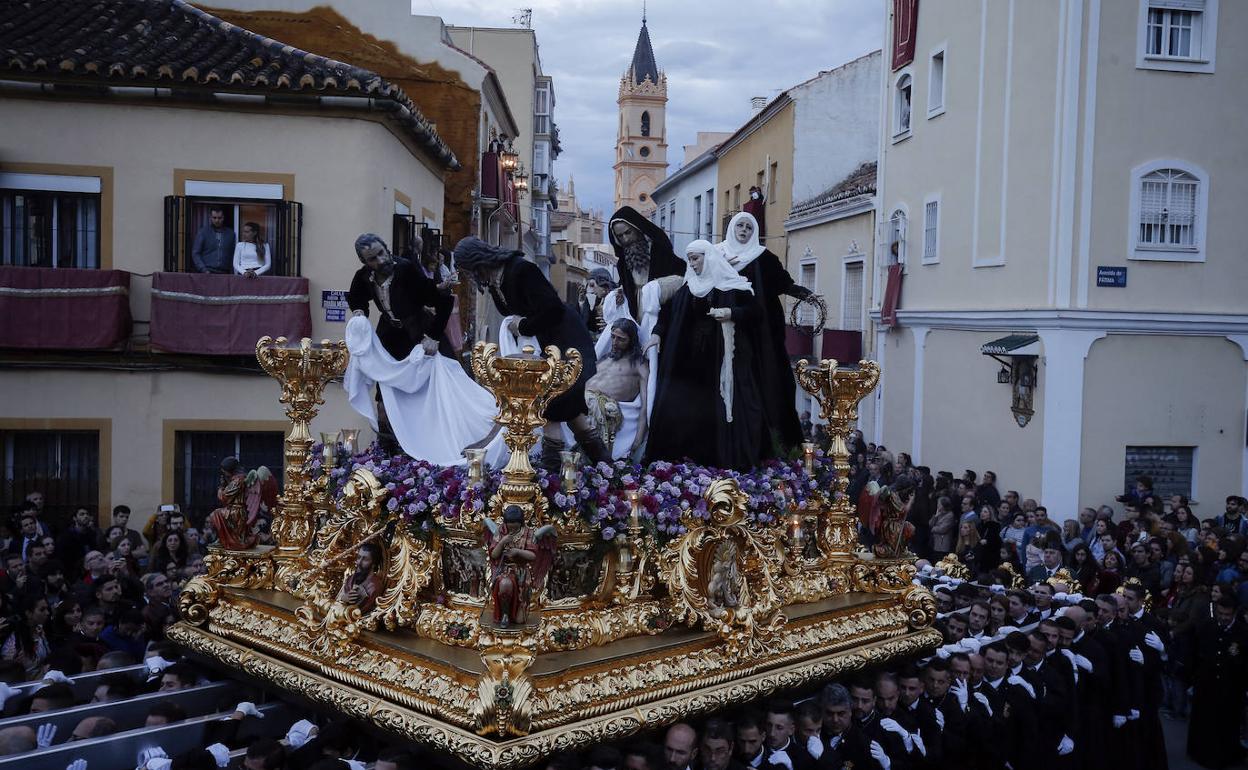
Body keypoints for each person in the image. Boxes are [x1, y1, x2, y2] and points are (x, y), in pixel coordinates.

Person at [453, 236, 608, 468]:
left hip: (568, 344)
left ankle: (553, 475)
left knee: (549, 405)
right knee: (573, 413)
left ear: (477, 262)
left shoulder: (522, 270)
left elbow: (553, 309)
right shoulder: (497, 282)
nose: (469, 276)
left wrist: (523, 326)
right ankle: (607, 470)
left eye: (468, 270)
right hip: (548, 347)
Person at [646, 240, 764, 470]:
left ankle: (717, 462)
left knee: (716, 412)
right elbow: (667, 315)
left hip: (720, 361)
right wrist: (657, 335)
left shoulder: (730, 286)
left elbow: (755, 312)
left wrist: (732, 312)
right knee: (686, 410)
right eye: (690, 259)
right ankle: (684, 462)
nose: (693, 264)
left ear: (708, 257)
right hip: (689, 362)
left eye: (696, 258)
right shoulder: (687, 289)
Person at [717, 212, 810, 456]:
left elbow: (783, 284)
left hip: (758, 327)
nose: (744, 230)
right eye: (740, 225)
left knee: (761, 375)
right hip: (721, 322)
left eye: (749, 227)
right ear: (732, 228)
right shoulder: (717, 254)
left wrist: (804, 294)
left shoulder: (763, 257)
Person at [348, 233, 453, 361]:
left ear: (387, 249)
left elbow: (443, 301)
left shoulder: (406, 269)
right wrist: (359, 312)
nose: (380, 260)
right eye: (372, 259)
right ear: (365, 262)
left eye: (381, 253)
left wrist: (433, 337)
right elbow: (356, 297)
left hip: (418, 332)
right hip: (389, 333)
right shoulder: (364, 276)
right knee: (382, 372)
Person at [1186, 596, 1248, 768]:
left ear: (1234, 613)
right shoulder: (1208, 626)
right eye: (1220, 613)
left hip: (1231, 686)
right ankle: (1200, 753)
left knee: (1226, 724)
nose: (1224, 618)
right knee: (1204, 720)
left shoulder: (1243, 632)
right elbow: (1197, 651)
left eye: (1227, 614)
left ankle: (1225, 756)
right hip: (1207, 682)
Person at [583, 318, 649, 459]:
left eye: (621, 339)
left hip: (605, 406)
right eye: (613, 336)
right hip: (583, 401)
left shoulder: (639, 364)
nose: (614, 342)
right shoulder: (604, 358)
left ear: (631, 341)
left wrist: (639, 437)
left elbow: (645, 405)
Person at [607, 206, 685, 321]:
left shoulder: (659, 251)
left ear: (637, 229)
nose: (626, 239)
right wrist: (620, 292)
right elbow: (626, 286)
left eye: (628, 233)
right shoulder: (622, 263)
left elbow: (678, 276)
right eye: (620, 236)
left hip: (660, 312)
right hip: (635, 312)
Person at [207, 457, 256, 551]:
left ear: (230, 470)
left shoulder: (238, 480)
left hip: (236, 511)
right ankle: (222, 539)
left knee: (215, 515)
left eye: (224, 471)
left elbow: (224, 497)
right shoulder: (237, 479)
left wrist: (221, 487)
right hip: (234, 509)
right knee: (217, 514)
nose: (224, 473)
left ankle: (224, 540)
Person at [191, 207, 236, 274]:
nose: (217, 220)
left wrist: (232, 273)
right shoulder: (203, 232)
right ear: (210, 218)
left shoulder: (230, 234)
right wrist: (203, 269)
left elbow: (233, 255)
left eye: (219, 218)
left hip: (224, 273)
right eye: (214, 218)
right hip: (207, 272)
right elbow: (196, 253)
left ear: (223, 217)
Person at [579, 268, 617, 335]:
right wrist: (583, 302)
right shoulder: (599, 300)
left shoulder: (617, 297)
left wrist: (610, 326)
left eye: (592, 285)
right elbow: (592, 324)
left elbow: (623, 321)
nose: (592, 291)